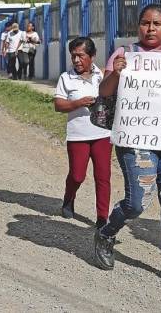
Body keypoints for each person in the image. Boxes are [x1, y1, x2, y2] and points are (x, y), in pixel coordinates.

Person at [94, 4, 161, 287]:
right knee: (137, 202)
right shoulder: (125, 54)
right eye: (145, 23)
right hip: (135, 141)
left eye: (157, 24)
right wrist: (115, 72)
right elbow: (103, 92)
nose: (150, 29)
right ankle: (107, 231)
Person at [54, 37, 111, 229]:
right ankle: (69, 198)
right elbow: (58, 106)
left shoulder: (102, 75)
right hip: (78, 135)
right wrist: (78, 103)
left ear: (92, 56)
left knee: (103, 176)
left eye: (81, 55)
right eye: (73, 56)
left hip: (102, 134)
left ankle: (102, 217)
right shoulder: (66, 77)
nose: (77, 60)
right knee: (77, 175)